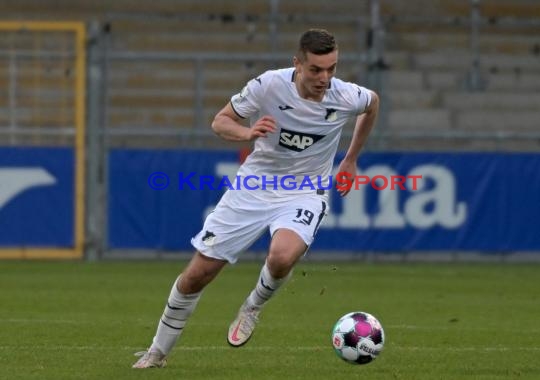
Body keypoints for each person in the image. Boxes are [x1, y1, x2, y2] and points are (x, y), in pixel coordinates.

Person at [133, 28, 379, 369]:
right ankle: (157, 353)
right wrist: (247, 132)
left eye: (332, 68)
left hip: (305, 191)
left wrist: (350, 159)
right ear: (298, 64)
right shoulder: (268, 86)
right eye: (316, 70)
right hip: (254, 187)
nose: (325, 78)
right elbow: (220, 121)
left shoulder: (346, 96)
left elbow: (372, 103)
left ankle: (252, 307)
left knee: (282, 257)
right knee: (197, 275)